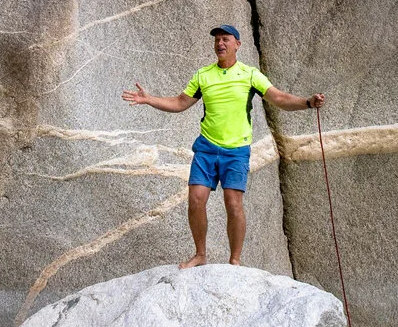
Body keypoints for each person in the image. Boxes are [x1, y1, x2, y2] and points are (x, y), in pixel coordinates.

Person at [123, 25, 323, 268]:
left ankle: (235, 260)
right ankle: (200, 255)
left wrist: (307, 103)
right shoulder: (203, 75)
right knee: (196, 199)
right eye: (217, 40)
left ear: (237, 44)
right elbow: (179, 102)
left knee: (233, 202)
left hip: (236, 151)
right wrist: (148, 99)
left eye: (225, 39)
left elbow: (279, 98)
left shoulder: (250, 75)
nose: (220, 44)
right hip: (206, 149)